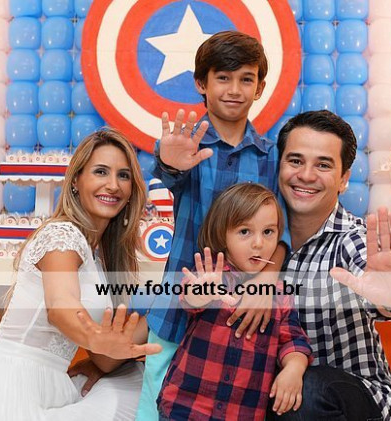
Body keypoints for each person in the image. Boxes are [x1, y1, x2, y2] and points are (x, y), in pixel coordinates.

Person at [136, 30, 288, 420]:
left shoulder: (272, 157)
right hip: (176, 312)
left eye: (246, 79)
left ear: (260, 87)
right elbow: (167, 176)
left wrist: (267, 280)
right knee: (157, 405)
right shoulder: (187, 147)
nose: (234, 89)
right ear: (201, 84)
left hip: (239, 317)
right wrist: (169, 164)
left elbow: (282, 231)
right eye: (223, 77)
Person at [0, 129, 162, 421]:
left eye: (123, 175)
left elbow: (106, 361)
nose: (113, 185)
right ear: (76, 181)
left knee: (133, 378)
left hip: (52, 385)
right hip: (16, 386)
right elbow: (60, 306)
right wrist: (96, 339)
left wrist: (167, 306)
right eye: (101, 172)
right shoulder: (62, 235)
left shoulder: (98, 258)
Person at [272, 110, 391, 421]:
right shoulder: (259, 240)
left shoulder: (353, 238)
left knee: (309, 387)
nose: (306, 175)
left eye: (323, 165)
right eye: (295, 161)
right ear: (279, 165)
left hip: (357, 402)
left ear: (343, 179)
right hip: (281, 398)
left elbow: (388, 301)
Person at [157, 183, 312, 421]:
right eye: (244, 232)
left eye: (268, 232)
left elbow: (294, 341)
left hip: (241, 414)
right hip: (185, 409)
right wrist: (202, 292)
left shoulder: (280, 294)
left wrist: (294, 368)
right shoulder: (211, 274)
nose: (258, 243)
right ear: (223, 235)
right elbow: (190, 298)